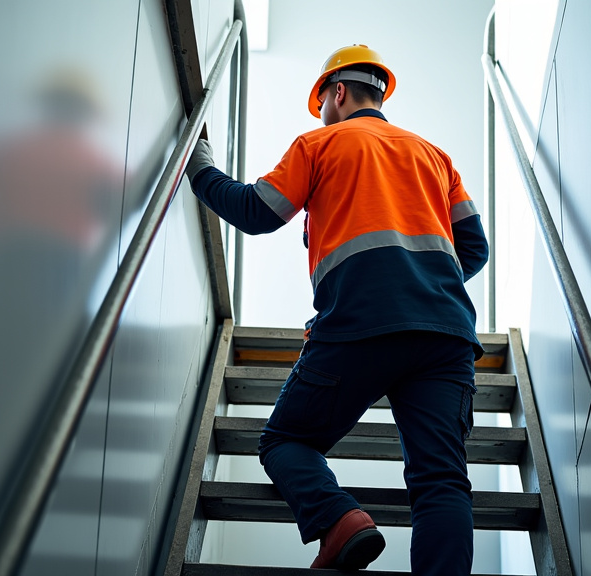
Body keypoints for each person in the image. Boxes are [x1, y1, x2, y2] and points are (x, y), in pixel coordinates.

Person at [185, 44, 488, 575]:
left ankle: (340, 520)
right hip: (445, 334)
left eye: (321, 100)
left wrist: (201, 167)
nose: (320, 111)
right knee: (441, 480)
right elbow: (475, 248)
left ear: (338, 92)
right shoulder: (435, 156)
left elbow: (257, 211)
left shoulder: (321, 143)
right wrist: (421, 286)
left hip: (356, 326)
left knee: (285, 441)